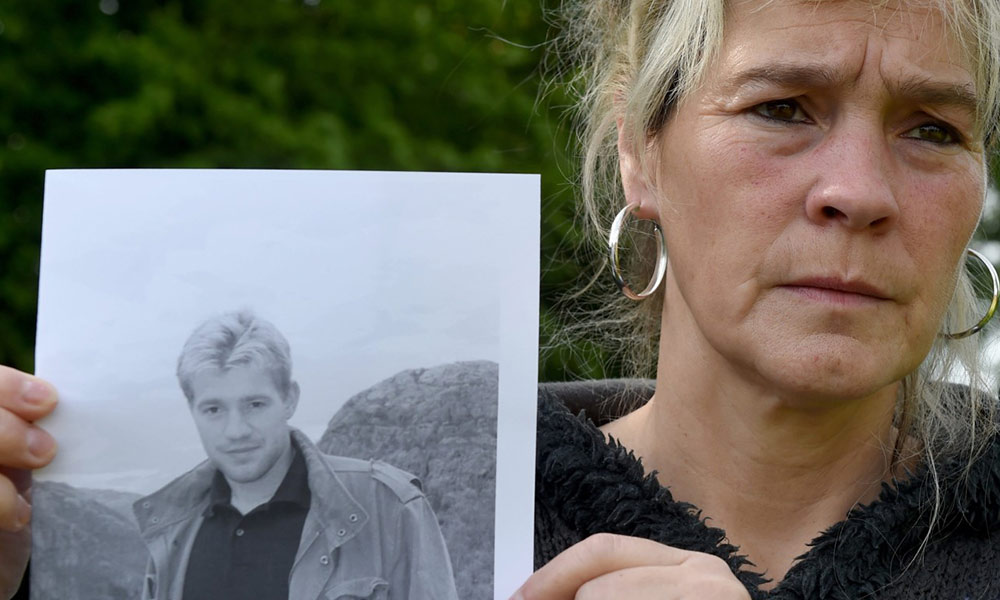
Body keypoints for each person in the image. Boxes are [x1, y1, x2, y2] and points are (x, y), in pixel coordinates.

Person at [515, 0, 1000, 599]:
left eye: (932, 129)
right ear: (639, 149)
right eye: (782, 109)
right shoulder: (422, 499)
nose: (860, 192)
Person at [128, 309, 458, 600]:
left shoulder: (389, 508)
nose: (236, 430)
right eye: (213, 409)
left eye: (254, 404)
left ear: (289, 398)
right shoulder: (172, 529)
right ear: (192, 411)